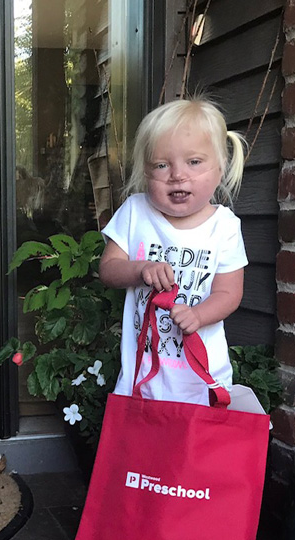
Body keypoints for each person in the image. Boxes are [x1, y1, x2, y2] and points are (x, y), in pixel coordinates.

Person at [99, 97, 247, 405]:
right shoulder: (135, 212)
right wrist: (139, 269)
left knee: (195, 453)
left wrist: (198, 314)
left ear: (220, 169)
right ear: (146, 172)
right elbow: (109, 269)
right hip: (141, 376)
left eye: (194, 162)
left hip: (201, 379)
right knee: (141, 452)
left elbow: (229, 293)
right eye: (162, 165)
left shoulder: (224, 227)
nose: (177, 175)